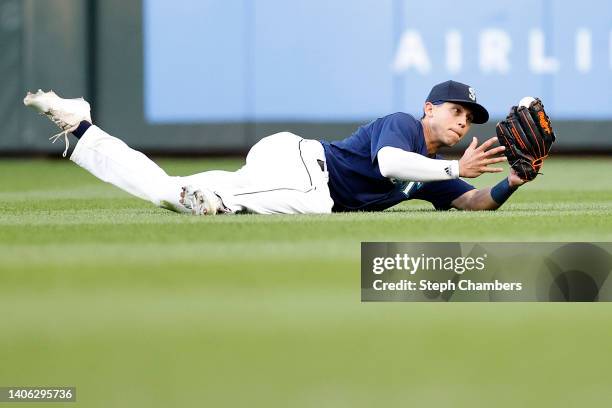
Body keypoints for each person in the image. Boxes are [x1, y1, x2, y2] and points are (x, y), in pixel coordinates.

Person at [23, 80, 526, 215]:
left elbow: (470, 201)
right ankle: (225, 204)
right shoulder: (403, 127)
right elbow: (390, 163)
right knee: (314, 205)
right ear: (429, 109)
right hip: (306, 169)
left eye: (469, 117)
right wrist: (454, 166)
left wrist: (511, 183)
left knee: (170, 191)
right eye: (455, 110)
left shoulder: (433, 167)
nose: (462, 121)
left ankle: (84, 129)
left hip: (290, 171)